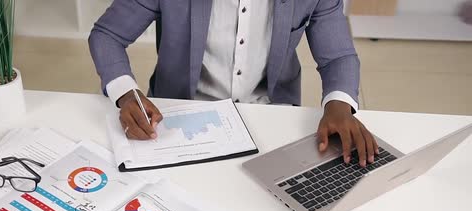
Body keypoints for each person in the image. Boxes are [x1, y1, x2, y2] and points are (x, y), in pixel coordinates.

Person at [89, 0, 378, 167]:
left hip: (270, 116)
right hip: (178, 120)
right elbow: (108, 35)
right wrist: (126, 94)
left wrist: (339, 105)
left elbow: (338, 56)